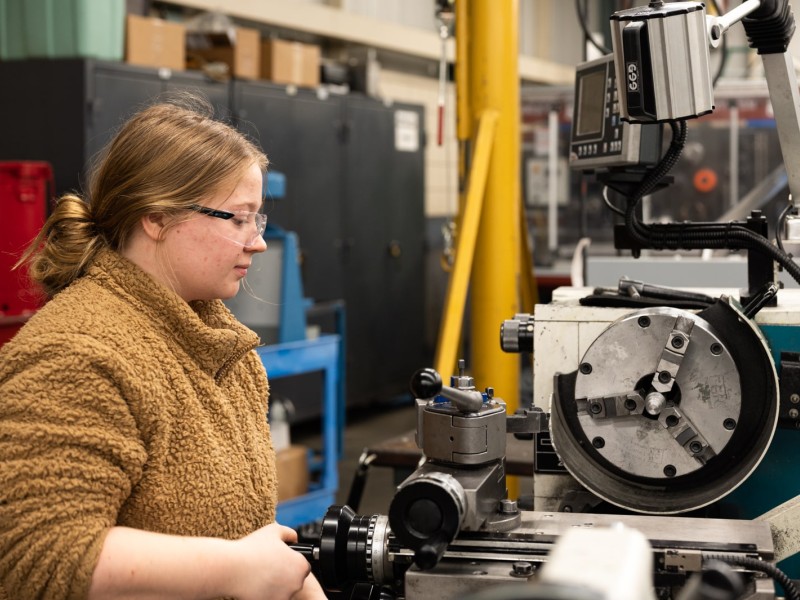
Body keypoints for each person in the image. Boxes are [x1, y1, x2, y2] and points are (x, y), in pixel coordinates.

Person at [0, 94, 326, 600]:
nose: (258, 242)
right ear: (156, 217)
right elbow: (34, 554)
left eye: (256, 219)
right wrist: (234, 569)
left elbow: (260, 548)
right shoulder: (77, 355)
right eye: (238, 218)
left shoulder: (224, 353)